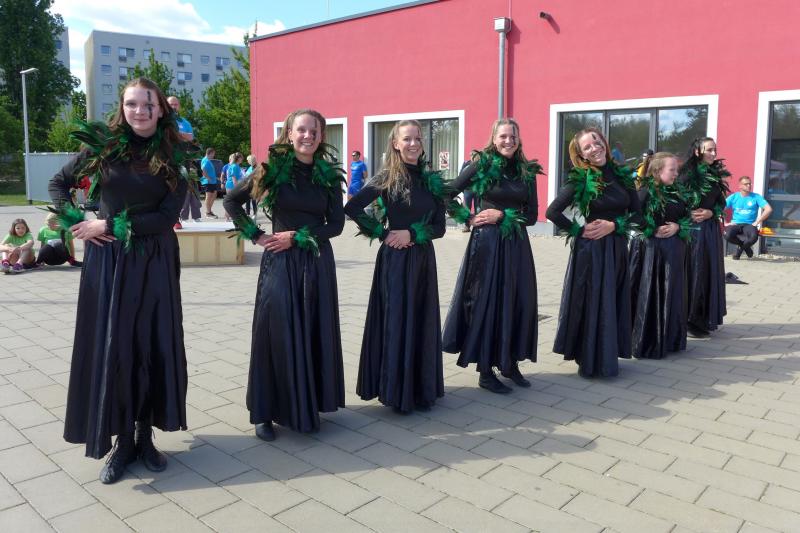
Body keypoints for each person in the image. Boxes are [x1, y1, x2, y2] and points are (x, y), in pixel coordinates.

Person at [49, 77, 192, 484]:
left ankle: (144, 437)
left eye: (148, 104)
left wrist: (106, 223)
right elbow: (58, 184)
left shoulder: (176, 153)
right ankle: (121, 441)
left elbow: (166, 217)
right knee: (115, 346)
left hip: (153, 260)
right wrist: (78, 221)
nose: (139, 111)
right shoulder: (103, 146)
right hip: (108, 262)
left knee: (150, 342)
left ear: (161, 109)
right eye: (132, 104)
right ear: (122, 108)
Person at [224, 109, 345, 441]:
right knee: (274, 332)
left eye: (314, 131)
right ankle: (265, 412)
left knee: (313, 329)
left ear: (321, 136)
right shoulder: (271, 170)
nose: (308, 136)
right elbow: (231, 201)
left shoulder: (328, 176)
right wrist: (256, 236)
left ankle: (309, 402)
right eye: (301, 130)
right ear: (289, 134)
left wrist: (299, 236)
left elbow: (336, 225)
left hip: (317, 262)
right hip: (280, 261)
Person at [344, 119, 445, 413]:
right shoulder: (387, 177)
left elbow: (440, 226)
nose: (413, 144)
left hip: (423, 260)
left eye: (417, 138)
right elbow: (352, 207)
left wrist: (412, 234)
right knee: (397, 320)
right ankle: (396, 391)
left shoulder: (431, 180)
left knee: (422, 320)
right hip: (396, 261)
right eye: (407, 139)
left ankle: (420, 389)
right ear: (395, 144)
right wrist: (383, 233)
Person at [442, 118, 542, 394]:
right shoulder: (480, 165)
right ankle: (486, 372)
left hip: (517, 245)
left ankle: (509, 363)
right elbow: (446, 194)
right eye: (503, 136)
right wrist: (467, 218)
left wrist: (503, 215)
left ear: (519, 140)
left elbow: (532, 216)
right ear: (494, 139)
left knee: (517, 300)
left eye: (513, 136)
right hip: (487, 245)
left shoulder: (527, 172)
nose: (508, 141)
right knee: (488, 302)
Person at [546, 127, 641, 378]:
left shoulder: (623, 176)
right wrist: (578, 231)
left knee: (612, 300)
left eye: (596, 142)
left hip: (617, 248)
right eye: (587, 147)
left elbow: (639, 215)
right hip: (591, 251)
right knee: (591, 301)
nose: (594, 148)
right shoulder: (580, 178)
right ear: (581, 155)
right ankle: (588, 358)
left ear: (604, 143)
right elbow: (552, 212)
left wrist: (614, 225)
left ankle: (607, 355)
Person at [629, 152, 692, 359]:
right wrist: (651, 229)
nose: (676, 173)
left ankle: (670, 339)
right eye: (672, 169)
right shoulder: (644, 192)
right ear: (657, 171)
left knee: (671, 294)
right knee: (651, 294)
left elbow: (688, 216)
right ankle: (647, 341)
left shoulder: (678, 191)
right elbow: (632, 216)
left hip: (673, 252)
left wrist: (678, 226)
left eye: (676, 169)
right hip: (651, 252)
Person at [678, 137, 729, 338]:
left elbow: (722, 203)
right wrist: (687, 214)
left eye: (715, 150)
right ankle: (689, 320)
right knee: (695, 272)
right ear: (697, 151)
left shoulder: (714, 175)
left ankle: (704, 317)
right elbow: (675, 200)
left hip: (710, 230)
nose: (714, 154)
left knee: (709, 272)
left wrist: (711, 212)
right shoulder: (685, 175)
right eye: (709, 150)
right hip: (692, 231)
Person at [168, 96, 201, 225]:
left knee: (180, 188)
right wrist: (181, 136)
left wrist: (175, 134)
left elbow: (191, 138)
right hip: (165, 158)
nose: (173, 107)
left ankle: (176, 218)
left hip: (182, 159)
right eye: (171, 104)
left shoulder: (185, 122)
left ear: (179, 106)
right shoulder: (160, 120)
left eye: (176, 104)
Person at [724, 176, 772, 259]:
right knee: (727, 235)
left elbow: (768, 209)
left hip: (749, 224)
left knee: (753, 237)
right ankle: (745, 247)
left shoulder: (756, 197)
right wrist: (725, 223)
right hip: (735, 223)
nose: (749, 185)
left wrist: (757, 221)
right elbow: (719, 208)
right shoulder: (734, 197)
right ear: (740, 186)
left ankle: (739, 251)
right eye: (746, 184)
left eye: (750, 184)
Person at [223, 153, 244, 221]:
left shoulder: (234, 165)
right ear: (238, 158)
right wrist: (236, 188)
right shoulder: (235, 166)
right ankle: (227, 217)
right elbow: (234, 178)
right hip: (231, 185)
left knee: (230, 201)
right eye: (241, 157)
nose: (242, 159)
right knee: (231, 202)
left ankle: (227, 216)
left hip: (230, 185)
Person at [200, 147, 220, 218]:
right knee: (208, 196)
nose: (214, 155)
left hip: (212, 181)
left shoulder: (208, 160)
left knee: (214, 194)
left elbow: (209, 171)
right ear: (210, 153)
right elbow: (203, 169)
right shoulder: (205, 160)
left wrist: (215, 178)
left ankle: (209, 211)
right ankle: (208, 212)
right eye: (213, 154)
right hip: (208, 182)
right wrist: (208, 178)